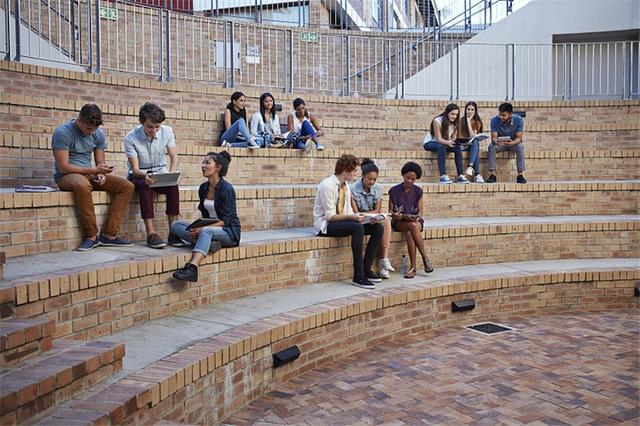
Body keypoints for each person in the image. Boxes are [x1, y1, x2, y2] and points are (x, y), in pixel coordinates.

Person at [52, 104, 134, 251]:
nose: (92, 132)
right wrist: (92, 170)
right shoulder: (62, 133)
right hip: (67, 176)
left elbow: (100, 163)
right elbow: (63, 167)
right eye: (89, 128)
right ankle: (91, 236)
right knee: (82, 185)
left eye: (94, 129)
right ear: (79, 120)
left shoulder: (97, 134)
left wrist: (101, 173)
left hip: (89, 174)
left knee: (127, 186)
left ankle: (109, 234)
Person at [313, 154, 383, 289]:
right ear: (346, 171)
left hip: (342, 222)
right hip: (325, 226)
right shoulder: (327, 185)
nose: (356, 175)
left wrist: (365, 218)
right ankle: (358, 276)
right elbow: (330, 216)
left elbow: (349, 212)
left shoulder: (345, 186)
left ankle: (366, 269)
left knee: (377, 228)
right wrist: (354, 218)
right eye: (354, 171)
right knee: (357, 228)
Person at [171, 151, 241, 282]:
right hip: (209, 228)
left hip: (229, 232)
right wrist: (196, 228)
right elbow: (205, 217)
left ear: (218, 167)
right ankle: (208, 243)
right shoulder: (203, 188)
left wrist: (201, 230)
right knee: (176, 225)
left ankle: (192, 268)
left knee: (205, 232)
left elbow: (225, 221)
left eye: (207, 163)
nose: (203, 166)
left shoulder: (227, 189)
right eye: (203, 162)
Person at [124, 103, 180, 249]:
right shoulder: (130, 138)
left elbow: (174, 157)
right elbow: (135, 169)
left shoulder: (167, 131)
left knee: (173, 186)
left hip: (160, 172)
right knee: (145, 186)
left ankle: (174, 232)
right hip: (139, 175)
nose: (154, 131)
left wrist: (171, 174)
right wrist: (146, 176)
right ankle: (151, 234)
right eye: (150, 127)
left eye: (157, 127)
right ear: (141, 122)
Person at [349, 159, 395, 279]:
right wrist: (370, 215)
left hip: (370, 219)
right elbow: (356, 212)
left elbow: (377, 210)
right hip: (358, 220)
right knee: (378, 225)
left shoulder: (378, 188)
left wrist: (372, 217)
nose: (372, 182)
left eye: (374, 179)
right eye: (369, 179)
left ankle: (372, 265)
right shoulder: (352, 188)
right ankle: (382, 260)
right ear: (363, 176)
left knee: (381, 226)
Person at [388, 162, 434, 279]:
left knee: (411, 230)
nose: (409, 181)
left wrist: (415, 217)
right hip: (400, 222)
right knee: (412, 226)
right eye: (407, 178)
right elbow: (390, 212)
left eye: (413, 179)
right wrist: (396, 215)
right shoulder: (393, 190)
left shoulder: (418, 191)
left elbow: (420, 212)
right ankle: (425, 258)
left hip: (414, 221)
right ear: (403, 175)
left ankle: (413, 268)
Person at [423, 103, 468, 184]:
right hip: (431, 142)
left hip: (444, 143)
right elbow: (438, 139)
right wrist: (448, 142)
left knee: (457, 148)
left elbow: (453, 138)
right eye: (452, 114)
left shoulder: (455, 122)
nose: (454, 116)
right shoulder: (437, 121)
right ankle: (442, 176)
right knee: (441, 146)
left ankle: (460, 176)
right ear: (447, 113)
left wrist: (458, 142)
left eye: (456, 114)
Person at [487, 102, 526, 184]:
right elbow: (493, 137)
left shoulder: (518, 120)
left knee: (520, 146)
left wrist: (513, 142)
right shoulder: (494, 120)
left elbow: (519, 138)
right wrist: (497, 142)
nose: (501, 117)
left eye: (504, 115)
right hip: (500, 144)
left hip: (513, 143)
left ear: (510, 114)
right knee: (491, 146)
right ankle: (492, 174)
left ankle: (520, 175)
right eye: (500, 115)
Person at [457, 101, 485, 183]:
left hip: (471, 145)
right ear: (465, 110)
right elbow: (458, 136)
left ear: (475, 111)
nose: (470, 111)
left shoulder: (477, 122)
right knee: (476, 148)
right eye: (468, 109)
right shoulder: (460, 120)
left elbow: (473, 135)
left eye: (472, 110)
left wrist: (468, 121)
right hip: (461, 145)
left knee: (475, 142)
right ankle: (477, 174)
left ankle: (470, 166)